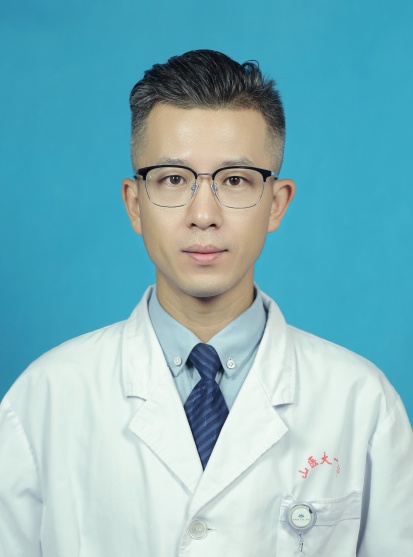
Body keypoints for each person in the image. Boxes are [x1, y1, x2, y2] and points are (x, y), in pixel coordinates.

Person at [0, 49, 412, 557]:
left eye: (235, 180)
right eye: (173, 179)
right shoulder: (44, 400)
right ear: (134, 203)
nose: (203, 214)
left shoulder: (362, 403)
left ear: (276, 203)